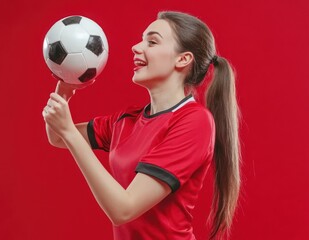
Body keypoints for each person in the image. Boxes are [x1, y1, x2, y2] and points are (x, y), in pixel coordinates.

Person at [42, 11, 240, 240]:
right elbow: (58, 137)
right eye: (141, 39)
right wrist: (66, 86)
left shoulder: (195, 122)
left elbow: (124, 209)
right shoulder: (128, 119)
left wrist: (69, 131)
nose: (136, 47)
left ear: (183, 59)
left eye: (152, 42)